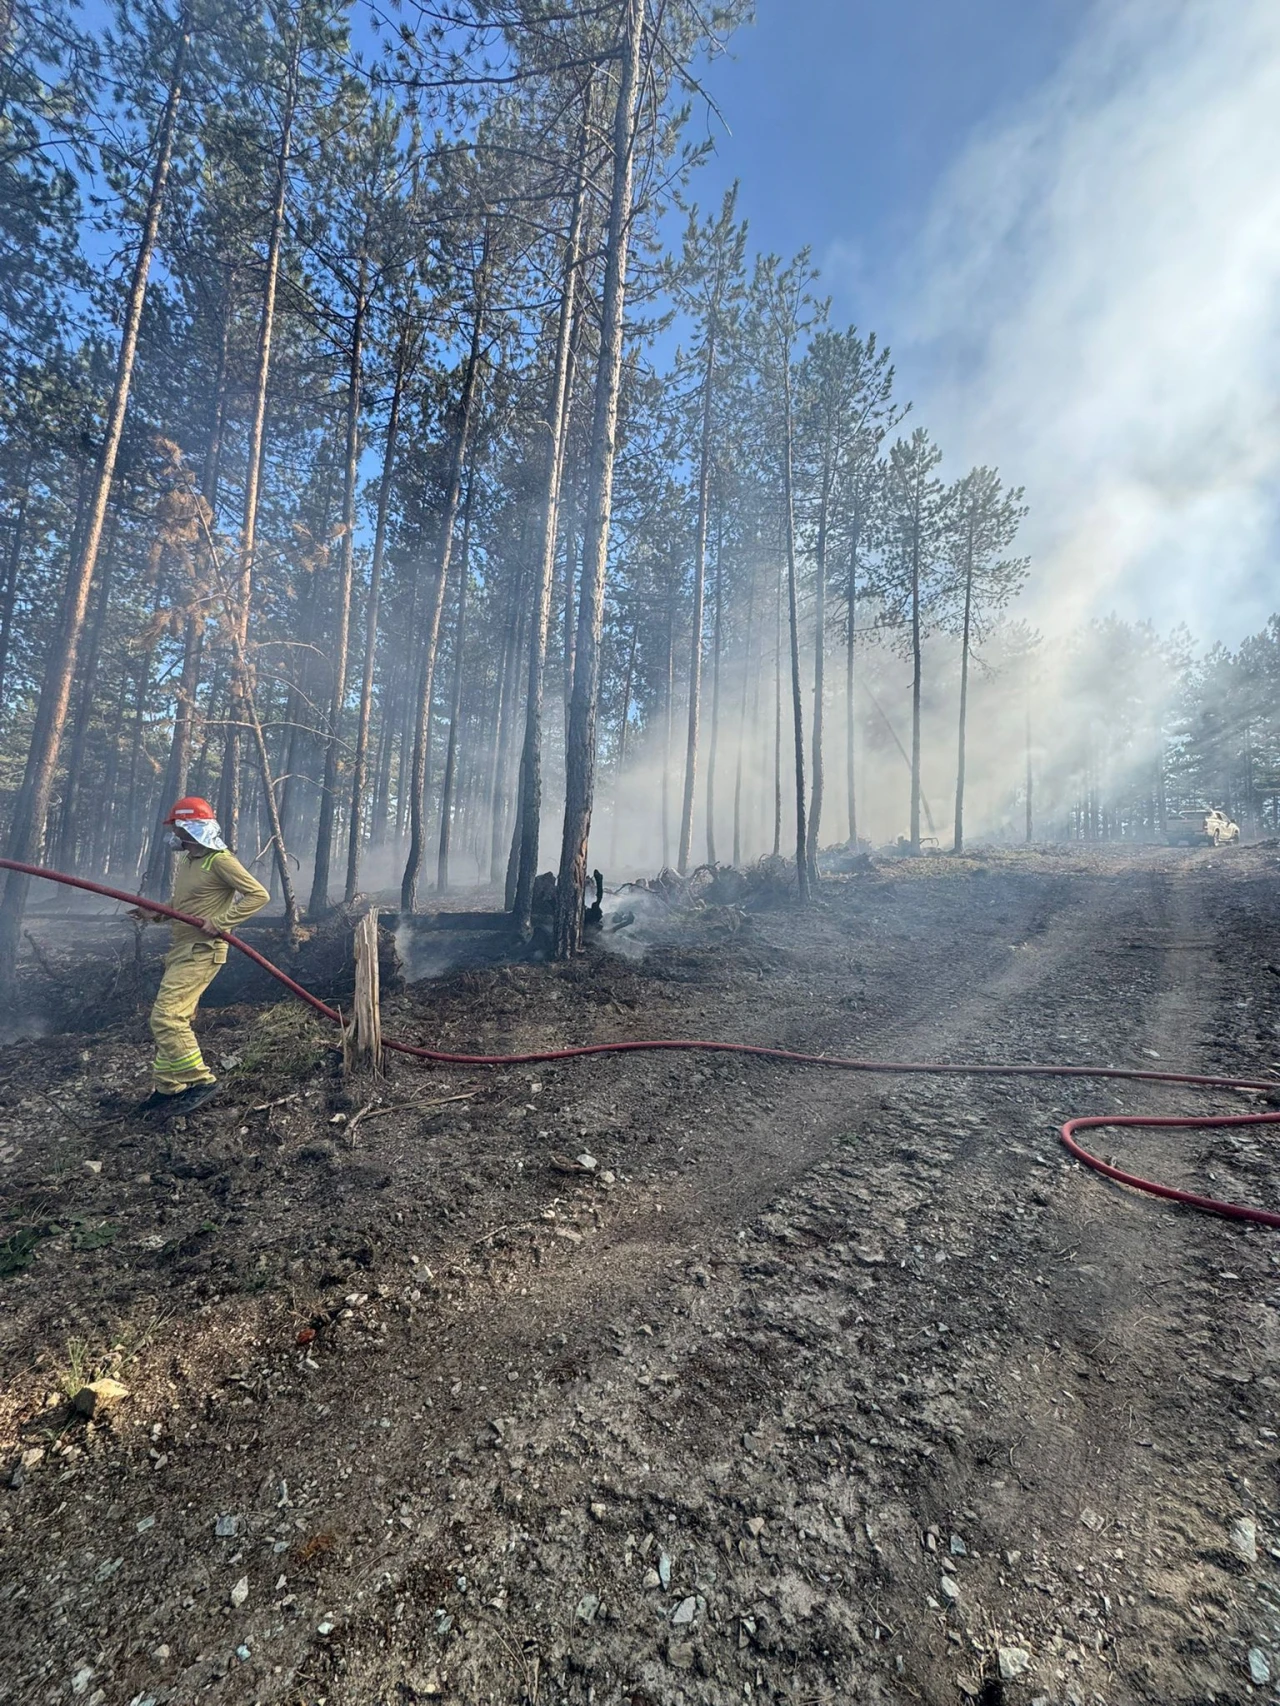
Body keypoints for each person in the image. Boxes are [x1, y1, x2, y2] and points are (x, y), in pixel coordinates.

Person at [132, 796, 270, 1115]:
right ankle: (169, 1086)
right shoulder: (189, 861)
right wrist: (156, 914)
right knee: (175, 1016)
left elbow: (259, 895)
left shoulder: (220, 860)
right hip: (181, 949)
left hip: (202, 951)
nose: (175, 834)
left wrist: (220, 923)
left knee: (166, 1017)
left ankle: (200, 1080)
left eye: (179, 827)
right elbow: (185, 906)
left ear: (192, 828)